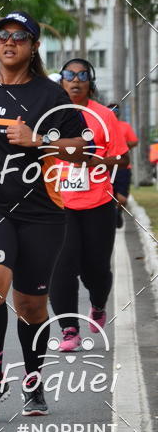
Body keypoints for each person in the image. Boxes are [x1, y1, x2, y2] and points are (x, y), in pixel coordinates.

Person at [0, 10, 87, 421]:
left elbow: (82, 148)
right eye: (1, 36)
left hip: (41, 212)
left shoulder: (51, 96)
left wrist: (39, 139)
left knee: (32, 305)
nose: (8, 42)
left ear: (33, 46)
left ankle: (33, 380)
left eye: (19, 35)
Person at [50, 61, 129, 351]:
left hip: (98, 202)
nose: (75, 81)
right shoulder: (50, 113)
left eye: (82, 75)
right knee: (62, 265)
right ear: (61, 82)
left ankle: (97, 302)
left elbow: (122, 159)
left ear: (90, 82)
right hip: (59, 203)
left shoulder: (104, 115)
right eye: (69, 75)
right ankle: (68, 328)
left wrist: (100, 161)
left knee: (95, 268)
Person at [108, 102, 138, 228]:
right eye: (111, 110)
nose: (113, 112)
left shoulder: (125, 126)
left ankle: (118, 212)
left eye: (115, 110)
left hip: (122, 167)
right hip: (106, 166)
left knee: (122, 199)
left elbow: (134, 141)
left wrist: (122, 145)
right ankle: (110, 216)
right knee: (107, 197)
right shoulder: (103, 126)